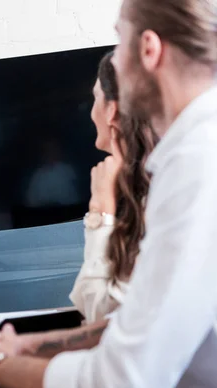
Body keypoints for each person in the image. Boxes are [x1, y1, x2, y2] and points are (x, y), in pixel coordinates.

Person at [0, 1, 217, 388]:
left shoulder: (204, 165)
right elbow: (139, 320)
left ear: (149, 49)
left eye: (118, 41)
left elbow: (120, 385)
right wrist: (20, 347)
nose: (113, 61)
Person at [70, 50, 157, 323]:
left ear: (111, 111)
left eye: (95, 98)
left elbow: (107, 317)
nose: (90, 111)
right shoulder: (140, 183)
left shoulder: (156, 196)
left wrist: (100, 210)